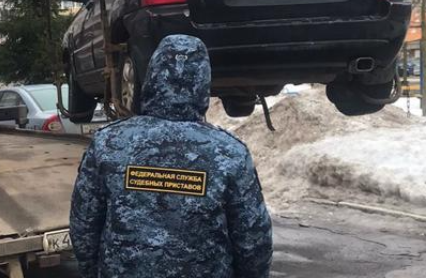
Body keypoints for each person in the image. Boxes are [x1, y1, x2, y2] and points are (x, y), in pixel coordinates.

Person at [70, 35, 273, 278]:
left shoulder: (109, 144)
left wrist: (94, 272)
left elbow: (84, 226)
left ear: (152, 77)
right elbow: (253, 240)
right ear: (203, 83)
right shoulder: (229, 153)